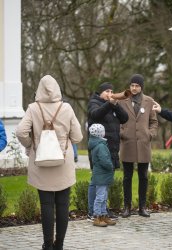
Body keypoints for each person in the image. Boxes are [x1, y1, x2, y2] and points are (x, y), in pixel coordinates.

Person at [16, 75, 83, 250]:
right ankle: (59, 244)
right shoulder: (66, 108)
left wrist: (32, 145)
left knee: (46, 204)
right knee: (63, 205)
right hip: (63, 161)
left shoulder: (33, 108)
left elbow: (21, 132)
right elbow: (78, 136)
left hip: (41, 161)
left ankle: (47, 245)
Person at [118, 74, 158, 218]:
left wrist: (150, 134)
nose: (134, 88)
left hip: (143, 144)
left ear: (141, 87)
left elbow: (154, 121)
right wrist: (121, 133)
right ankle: (127, 207)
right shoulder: (122, 101)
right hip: (127, 143)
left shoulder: (148, 101)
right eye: (132, 85)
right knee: (127, 177)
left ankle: (142, 207)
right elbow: (116, 120)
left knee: (143, 176)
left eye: (137, 86)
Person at [87, 82, 128, 220]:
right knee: (96, 181)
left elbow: (125, 118)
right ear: (101, 93)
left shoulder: (112, 105)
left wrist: (116, 105)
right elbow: (96, 114)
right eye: (107, 91)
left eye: (112, 91)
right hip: (99, 149)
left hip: (111, 148)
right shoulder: (94, 103)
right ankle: (93, 211)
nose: (110, 94)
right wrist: (109, 104)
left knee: (104, 181)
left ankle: (102, 210)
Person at [88, 123, 116, 227]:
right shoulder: (100, 146)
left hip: (102, 175)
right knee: (100, 197)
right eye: (103, 131)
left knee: (104, 196)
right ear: (100, 134)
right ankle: (97, 216)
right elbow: (104, 160)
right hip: (102, 175)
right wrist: (110, 166)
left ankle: (103, 215)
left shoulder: (99, 144)